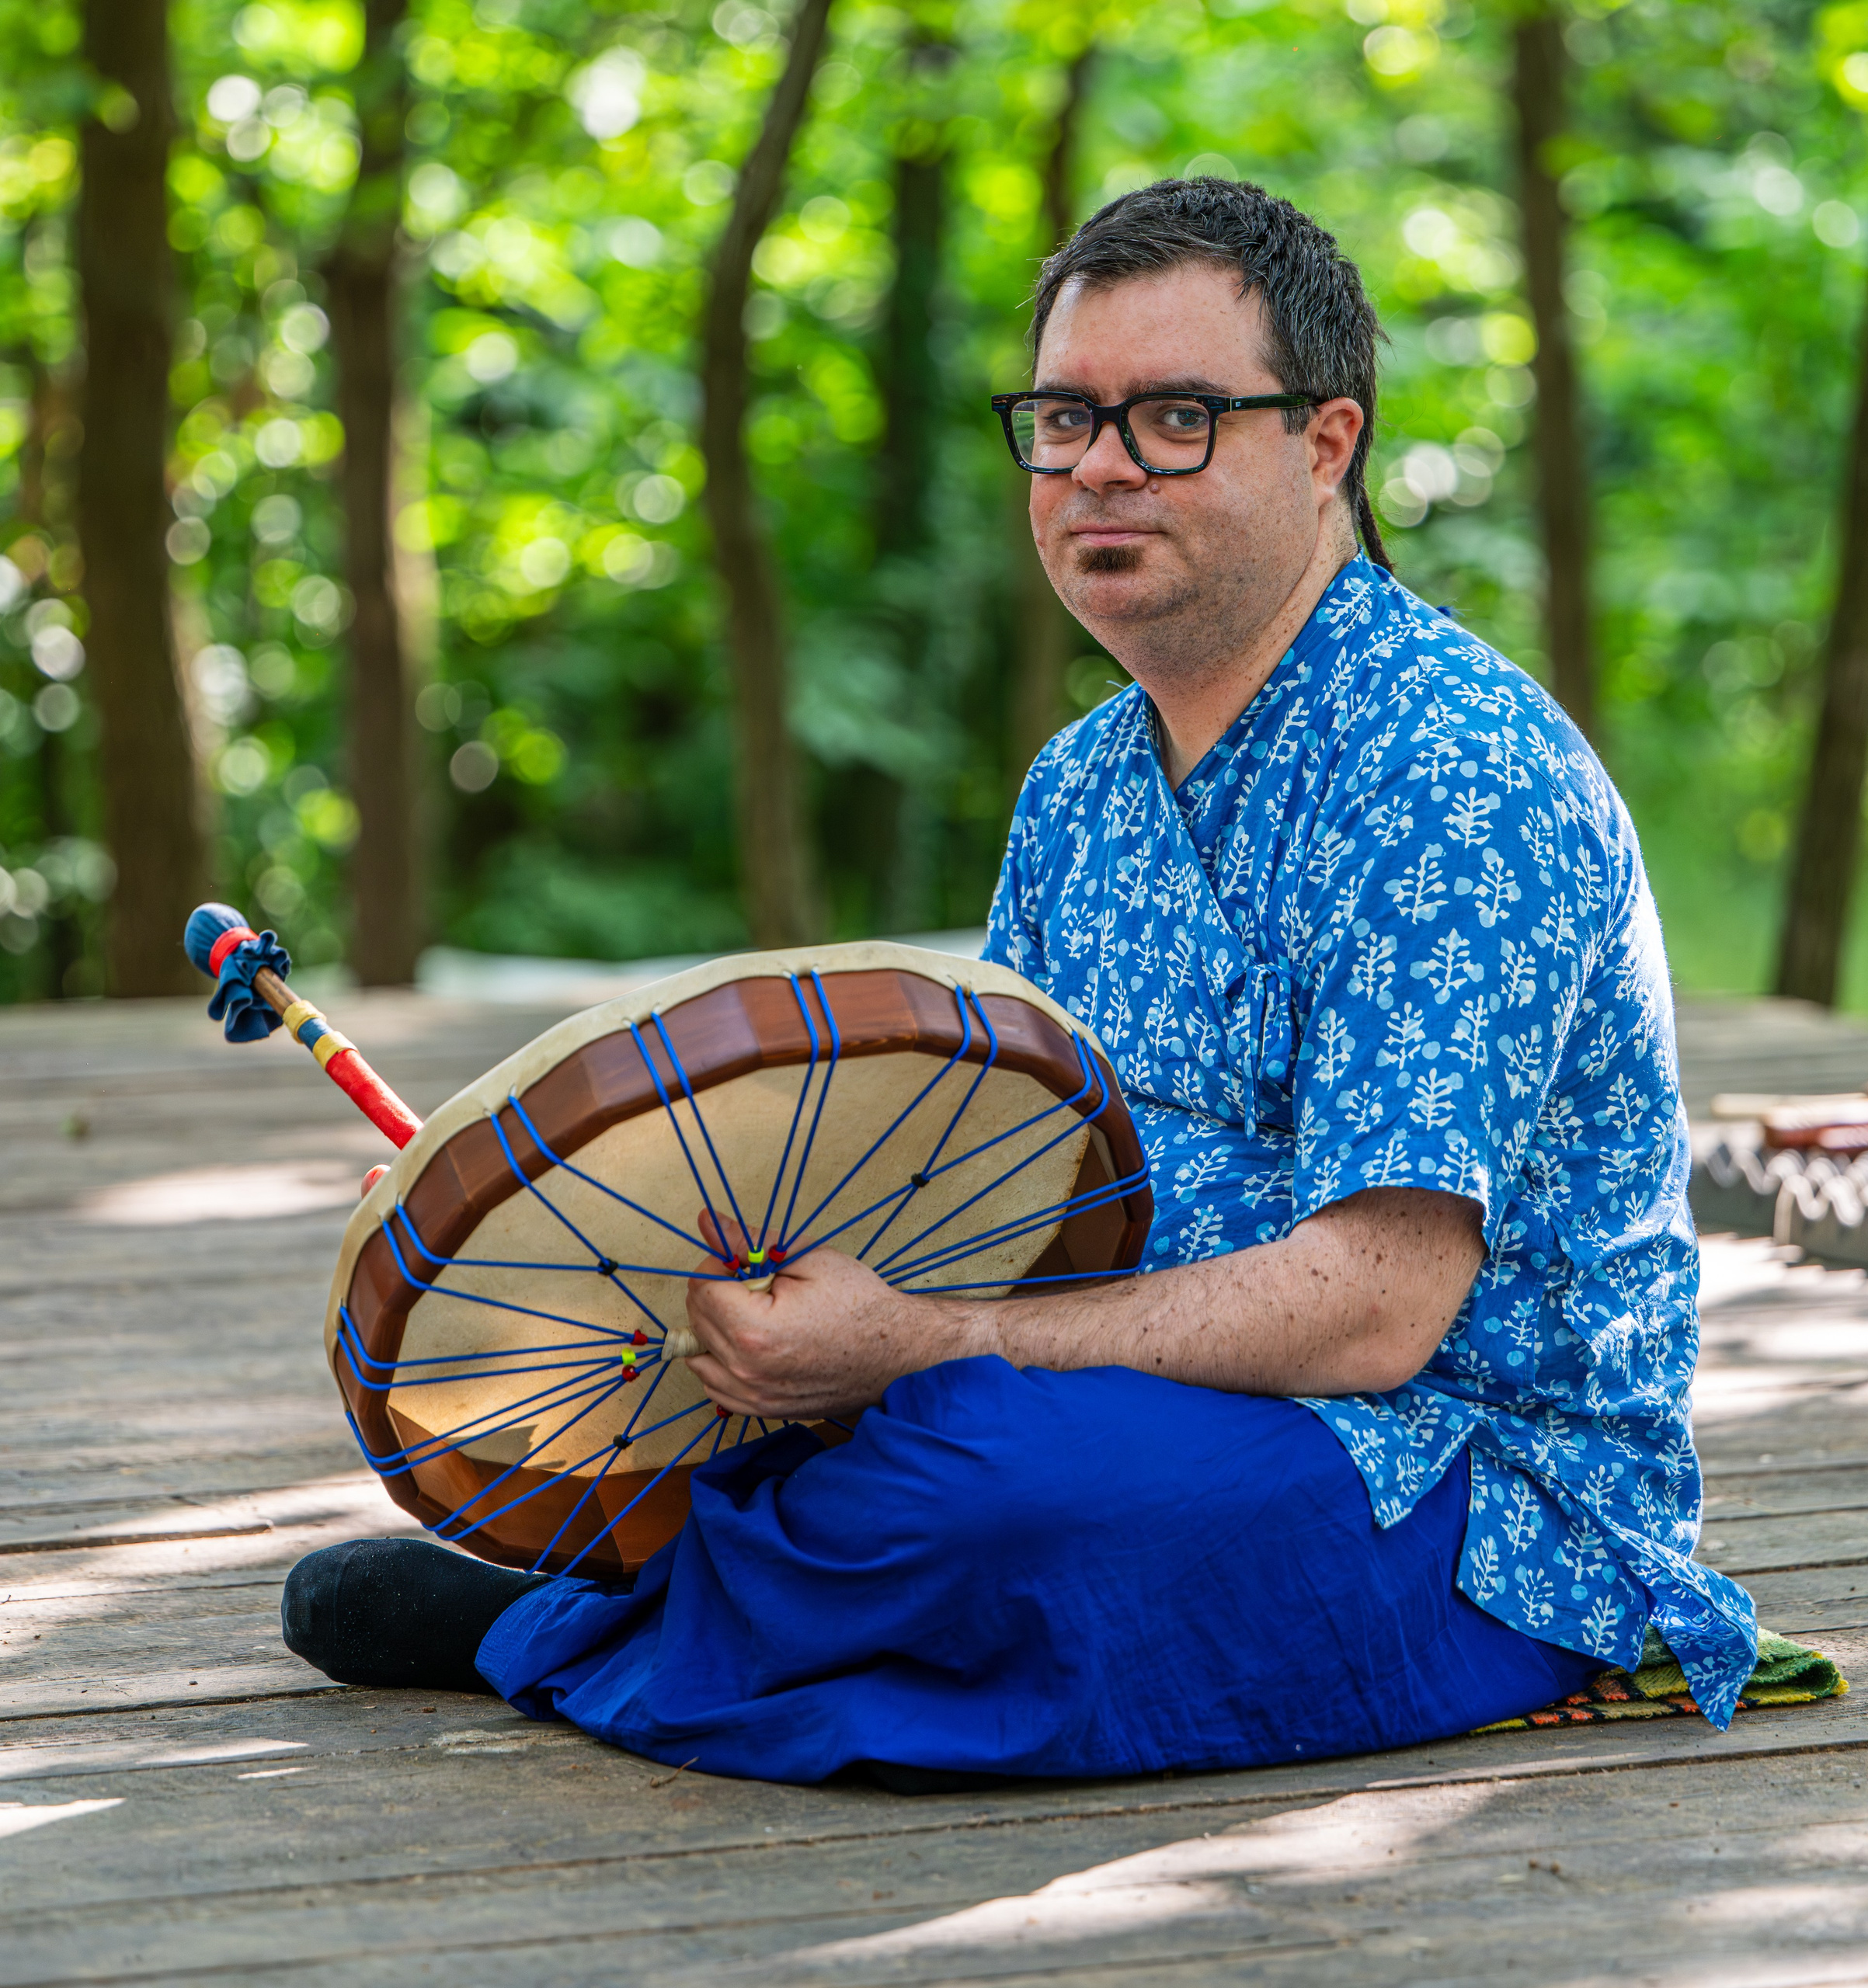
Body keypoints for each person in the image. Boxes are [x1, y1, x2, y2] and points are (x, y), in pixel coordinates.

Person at [284, 179, 1757, 1785]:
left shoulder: (1450, 774)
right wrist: (626, 1233)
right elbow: (986, 1172)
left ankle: (602, 1602)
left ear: (1322, 445)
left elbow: (1374, 1307)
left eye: (1175, 416)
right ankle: (703, 1575)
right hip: (1123, 1381)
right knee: (911, 1420)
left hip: (1459, 1482)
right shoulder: (1077, 785)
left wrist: (917, 1344)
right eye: (1064, 418)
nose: (1100, 466)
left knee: (984, 1479)